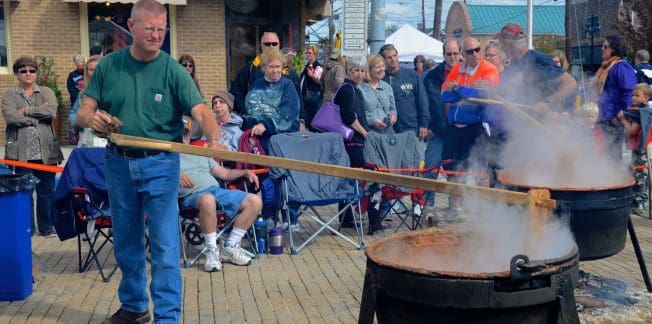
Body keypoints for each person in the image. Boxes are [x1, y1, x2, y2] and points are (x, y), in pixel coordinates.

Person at [75, 1, 222, 323]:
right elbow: (83, 111)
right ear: (131, 26)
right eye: (149, 29)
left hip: (160, 165)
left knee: (165, 244)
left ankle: (168, 317)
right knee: (127, 242)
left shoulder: (172, 69)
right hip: (118, 163)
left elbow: (198, 109)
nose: (156, 35)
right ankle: (134, 307)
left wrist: (213, 136)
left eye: (161, 29)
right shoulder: (110, 66)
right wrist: (93, 120)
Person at [179, 118, 262, 272]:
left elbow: (225, 173)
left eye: (185, 133)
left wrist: (245, 171)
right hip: (191, 197)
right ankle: (211, 251)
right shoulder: (167, 157)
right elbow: (159, 173)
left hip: (216, 191)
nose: (182, 136)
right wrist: (175, 174)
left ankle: (230, 247)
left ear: (190, 134)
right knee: (207, 200)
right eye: (178, 133)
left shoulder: (200, 153)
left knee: (254, 201)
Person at [2, 56, 64, 237]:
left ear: (36, 73)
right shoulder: (10, 95)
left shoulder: (46, 91)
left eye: (32, 70)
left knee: (47, 192)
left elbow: (51, 111)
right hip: (21, 154)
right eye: (23, 71)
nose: (28, 74)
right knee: (25, 193)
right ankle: (27, 228)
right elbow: (11, 118)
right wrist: (37, 117)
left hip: (46, 152)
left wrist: (26, 111)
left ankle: (47, 227)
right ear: (16, 74)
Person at [440, 37, 501, 221]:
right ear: (463, 54)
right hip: (454, 127)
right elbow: (444, 95)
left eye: (477, 49)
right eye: (469, 51)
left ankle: (483, 212)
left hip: (476, 127)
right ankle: (456, 209)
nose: (474, 53)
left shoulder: (489, 69)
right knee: (454, 167)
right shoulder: (457, 68)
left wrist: (458, 89)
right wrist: (466, 91)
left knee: (480, 169)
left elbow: (483, 96)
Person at [497, 23, 577, 117]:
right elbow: (503, 90)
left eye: (503, 42)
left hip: (548, 120)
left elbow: (570, 82)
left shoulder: (538, 59)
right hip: (524, 121)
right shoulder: (513, 65)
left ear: (514, 43)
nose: (501, 46)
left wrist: (547, 103)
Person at [421, 39, 461, 213]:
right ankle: (426, 206)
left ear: (460, 53)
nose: (452, 57)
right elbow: (426, 103)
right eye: (449, 53)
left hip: (459, 131)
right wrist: (427, 125)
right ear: (443, 54)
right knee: (430, 168)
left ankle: (455, 207)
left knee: (456, 172)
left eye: (455, 53)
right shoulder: (433, 75)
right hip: (436, 131)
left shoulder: (466, 74)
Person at [229, 31, 300, 115]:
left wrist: (301, 120)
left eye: (274, 44)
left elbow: (298, 98)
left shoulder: (289, 72)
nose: (271, 46)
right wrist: (246, 112)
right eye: (267, 44)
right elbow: (236, 94)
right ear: (261, 46)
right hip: (256, 121)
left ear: (279, 45)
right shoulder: (249, 69)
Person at [243, 48, 300, 152]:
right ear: (264, 67)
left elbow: (288, 111)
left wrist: (266, 125)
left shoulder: (288, 85)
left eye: (278, 67)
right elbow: (250, 109)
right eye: (271, 67)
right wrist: (257, 125)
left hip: (283, 137)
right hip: (259, 136)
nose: (275, 70)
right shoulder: (256, 85)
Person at [335, 55, 369, 228]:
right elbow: (349, 117)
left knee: (349, 178)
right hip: (352, 141)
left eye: (362, 71)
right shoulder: (348, 89)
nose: (359, 74)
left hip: (352, 140)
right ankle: (347, 216)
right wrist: (365, 133)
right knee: (354, 177)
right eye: (356, 70)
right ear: (349, 71)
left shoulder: (354, 88)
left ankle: (346, 217)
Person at [593, 35, 637, 162]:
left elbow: (629, 91)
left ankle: (614, 179)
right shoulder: (608, 67)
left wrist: (623, 114)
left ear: (614, 49)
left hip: (613, 119)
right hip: (604, 117)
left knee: (612, 155)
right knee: (603, 153)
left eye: (605, 46)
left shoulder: (621, 67)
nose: (602, 49)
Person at [379, 44, 429, 139]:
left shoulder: (412, 75)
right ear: (383, 60)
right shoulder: (381, 79)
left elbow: (423, 100)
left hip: (410, 126)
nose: (393, 59)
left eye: (395, 56)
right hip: (387, 128)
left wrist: (424, 124)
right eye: (389, 57)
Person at [617, 83, 651, 214]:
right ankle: (638, 202)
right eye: (632, 95)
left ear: (646, 98)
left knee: (639, 176)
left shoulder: (639, 113)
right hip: (636, 148)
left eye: (637, 95)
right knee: (635, 174)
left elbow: (632, 131)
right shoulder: (635, 111)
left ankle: (640, 203)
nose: (633, 98)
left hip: (640, 150)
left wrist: (623, 119)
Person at [68, 55, 106, 148]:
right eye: (91, 69)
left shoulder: (113, 92)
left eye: (98, 68)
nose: (95, 72)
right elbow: (73, 114)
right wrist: (82, 121)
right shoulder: (82, 93)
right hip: (86, 144)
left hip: (107, 144)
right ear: (86, 72)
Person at [359, 53, 396, 134]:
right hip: (368, 134)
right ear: (368, 69)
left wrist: (393, 116)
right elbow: (356, 115)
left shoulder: (387, 87)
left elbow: (393, 109)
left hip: (388, 133)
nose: (382, 69)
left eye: (383, 66)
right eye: (378, 67)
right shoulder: (359, 88)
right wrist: (371, 121)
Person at [300, 44, 324, 130]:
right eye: (307, 53)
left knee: (311, 118)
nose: (308, 55)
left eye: (310, 53)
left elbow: (319, 81)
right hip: (306, 96)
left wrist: (311, 76)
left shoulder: (318, 66)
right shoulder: (308, 65)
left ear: (315, 54)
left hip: (312, 97)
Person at [66, 54, 85, 144]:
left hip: (87, 100)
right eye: (81, 61)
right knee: (76, 119)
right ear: (76, 63)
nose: (83, 62)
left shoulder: (88, 73)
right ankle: (76, 137)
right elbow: (70, 88)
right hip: (76, 101)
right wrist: (78, 97)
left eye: (83, 60)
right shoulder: (72, 75)